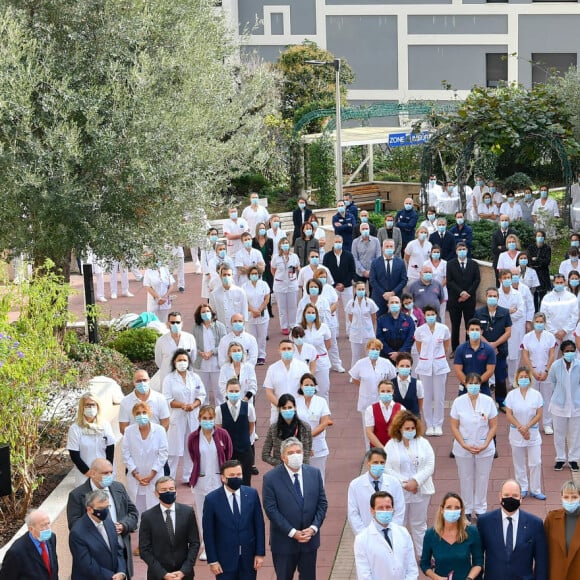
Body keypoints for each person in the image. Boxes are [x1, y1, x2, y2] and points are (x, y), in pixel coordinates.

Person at [262, 437, 327, 580]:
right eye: (291, 453)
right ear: (283, 457)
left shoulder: (314, 473)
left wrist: (313, 528)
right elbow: (271, 510)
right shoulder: (270, 478)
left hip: (309, 541)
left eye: (298, 451)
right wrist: (292, 532)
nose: (296, 455)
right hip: (284, 542)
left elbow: (322, 504)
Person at [66, 458, 138, 579]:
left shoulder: (118, 488)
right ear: (93, 473)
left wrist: (124, 525)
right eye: (105, 473)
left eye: (111, 472)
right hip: (95, 561)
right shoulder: (77, 495)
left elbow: (133, 513)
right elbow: (74, 525)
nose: (109, 475)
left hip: (119, 553)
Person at [202, 460, 266, 579]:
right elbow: (208, 532)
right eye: (231, 475)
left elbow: (259, 525)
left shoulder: (251, 494)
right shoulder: (211, 500)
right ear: (223, 477)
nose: (236, 478)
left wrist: (260, 553)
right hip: (224, 561)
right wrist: (213, 560)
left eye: (239, 475)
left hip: (249, 559)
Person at [385, 410, 435, 558]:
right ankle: (400, 555)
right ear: (399, 428)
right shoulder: (391, 445)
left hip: (421, 490)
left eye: (412, 428)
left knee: (419, 524)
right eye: (407, 428)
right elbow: (387, 467)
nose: (410, 431)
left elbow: (430, 465)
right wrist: (405, 483)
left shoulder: (423, 443)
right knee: (399, 524)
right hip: (400, 492)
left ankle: (423, 555)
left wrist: (416, 481)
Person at [187, 405, 233, 560]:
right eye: (204, 418)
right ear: (199, 419)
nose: (207, 421)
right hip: (200, 481)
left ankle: (221, 544)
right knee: (203, 514)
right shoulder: (193, 437)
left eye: (210, 418)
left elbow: (229, 454)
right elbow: (194, 456)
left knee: (221, 514)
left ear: (214, 419)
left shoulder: (223, 434)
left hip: (219, 481)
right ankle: (206, 546)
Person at [450, 372, 498, 519]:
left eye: (476, 384)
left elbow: (494, 425)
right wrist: (463, 444)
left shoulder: (488, 401)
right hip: (463, 447)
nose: (473, 386)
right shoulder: (458, 402)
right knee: (465, 477)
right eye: (470, 383)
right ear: (465, 385)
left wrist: (485, 444)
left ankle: (480, 509)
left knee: (483, 477)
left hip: (484, 447)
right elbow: (454, 426)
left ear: (480, 385)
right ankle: (467, 509)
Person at [477, 479, 548, 579]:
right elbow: (478, 557)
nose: (510, 498)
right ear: (500, 497)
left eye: (515, 496)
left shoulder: (535, 524)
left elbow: (541, 561)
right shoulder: (484, 522)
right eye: (506, 495)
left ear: (521, 498)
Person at [139, 476, 200, 579]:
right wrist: (163, 574)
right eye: (163, 490)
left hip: (184, 574)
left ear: (176, 491)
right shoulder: (147, 516)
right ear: (156, 494)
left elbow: (195, 543)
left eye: (171, 489)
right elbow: (144, 550)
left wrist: (184, 570)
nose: (168, 492)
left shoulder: (188, 512)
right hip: (158, 575)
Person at [163, 348, 207, 483]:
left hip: (193, 415)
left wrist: (193, 405)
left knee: (191, 447)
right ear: (174, 362)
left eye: (184, 360)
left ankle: (188, 477)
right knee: (174, 450)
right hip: (177, 416)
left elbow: (202, 395)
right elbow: (167, 398)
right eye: (179, 360)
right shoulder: (169, 379)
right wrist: (182, 405)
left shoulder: (195, 377)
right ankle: (169, 478)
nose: (182, 362)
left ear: (188, 362)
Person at [353, 491, 418, 580]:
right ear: (372, 510)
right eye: (380, 508)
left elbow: (412, 567)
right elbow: (364, 575)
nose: (385, 511)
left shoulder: (403, 532)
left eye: (388, 507)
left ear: (392, 509)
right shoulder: (361, 539)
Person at [420, 492, 483, 580]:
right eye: (449, 507)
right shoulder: (430, 534)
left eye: (457, 508)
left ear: (461, 511)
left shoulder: (472, 532)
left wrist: (469, 578)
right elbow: (424, 564)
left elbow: (478, 562)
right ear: (442, 509)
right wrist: (436, 578)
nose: (453, 511)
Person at [505, 366, 545, 500]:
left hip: (532, 433)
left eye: (526, 377)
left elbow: (539, 414)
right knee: (519, 462)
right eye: (521, 377)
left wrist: (527, 427)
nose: (523, 379)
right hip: (516, 433)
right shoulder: (511, 395)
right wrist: (521, 428)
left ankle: (535, 489)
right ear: (517, 379)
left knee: (536, 462)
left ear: (530, 378)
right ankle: (522, 487)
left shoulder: (536, 395)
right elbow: (509, 414)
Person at [69, 489, 127, 580]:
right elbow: (86, 565)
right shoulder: (77, 532)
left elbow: (117, 549)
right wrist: (112, 577)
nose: (105, 511)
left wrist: (121, 572)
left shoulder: (108, 521)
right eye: (101, 509)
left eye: (107, 507)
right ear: (89, 509)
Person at [122, 401, 169, 512]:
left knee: (155, 508)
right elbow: (125, 453)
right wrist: (136, 474)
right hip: (135, 477)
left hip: (155, 476)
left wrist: (152, 474)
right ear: (134, 416)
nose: (141, 415)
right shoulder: (129, 431)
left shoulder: (159, 430)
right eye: (138, 413)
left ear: (149, 414)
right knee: (137, 508)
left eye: (144, 412)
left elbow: (163, 454)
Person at [347, 448, 405, 534]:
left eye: (382, 462)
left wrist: (392, 532)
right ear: (368, 463)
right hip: (365, 534)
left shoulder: (394, 482)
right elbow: (353, 514)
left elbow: (399, 510)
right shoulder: (355, 485)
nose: (379, 465)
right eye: (375, 462)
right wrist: (363, 534)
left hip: (389, 533)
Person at [350, 338, 396, 444]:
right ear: (367, 349)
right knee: (368, 428)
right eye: (372, 349)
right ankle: (369, 452)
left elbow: (392, 378)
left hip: (383, 399)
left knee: (384, 426)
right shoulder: (360, 363)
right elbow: (355, 378)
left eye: (377, 349)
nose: (375, 351)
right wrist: (364, 387)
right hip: (366, 400)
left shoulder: (386, 363)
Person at [415, 304, 451, 436]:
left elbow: (447, 344)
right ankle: (429, 424)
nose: (430, 317)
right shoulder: (419, 330)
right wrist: (426, 358)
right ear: (424, 316)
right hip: (425, 367)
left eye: (433, 314)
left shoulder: (443, 329)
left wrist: (440, 356)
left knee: (439, 397)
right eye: (428, 315)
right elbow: (419, 346)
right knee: (427, 397)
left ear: (436, 315)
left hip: (440, 366)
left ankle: (438, 424)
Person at [475, 285, 512, 411]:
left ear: (498, 298)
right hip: (483, 350)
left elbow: (508, 332)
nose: (492, 298)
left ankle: (501, 402)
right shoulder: (479, 313)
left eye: (494, 296)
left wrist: (495, 345)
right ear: (485, 297)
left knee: (501, 377)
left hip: (500, 350)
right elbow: (476, 331)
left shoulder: (505, 312)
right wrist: (489, 346)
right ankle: (484, 401)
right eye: (490, 296)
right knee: (483, 375)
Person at [67, 392, 115, 485]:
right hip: (84, 475)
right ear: (82, 407)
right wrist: (88, 472)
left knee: (105, 497)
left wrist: (107, 470)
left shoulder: (105, 425)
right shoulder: (75, 428)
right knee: (87, 498)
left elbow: (110, 448)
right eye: (87, 405)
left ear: (98, 406)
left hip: (104, 474)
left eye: (93, 405)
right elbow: (74, 454)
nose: (91, 408)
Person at [215, 378, 256, 486]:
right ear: (226, 392)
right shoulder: (219, 409)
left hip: (245, 450)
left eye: (236, 391)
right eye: (231, 391)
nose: (234, 393)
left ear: (240, 391)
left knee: (246, 480)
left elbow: (251, 425)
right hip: (228, 451)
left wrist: (246, 440)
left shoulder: (249, 407)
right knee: (228, 481)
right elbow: (218, 429)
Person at [521, 312, 557, 435]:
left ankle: (547, 424)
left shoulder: (550, 337)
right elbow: (525, 355)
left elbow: (552, 354)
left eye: (541, 322)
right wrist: (532, 371)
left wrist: (547, 370)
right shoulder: (527, 337)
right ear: (533, 322)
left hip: (547, 370)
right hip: (532, 371)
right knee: (532, 397)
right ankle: (532, 423)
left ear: (545, 323)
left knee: (547, 397)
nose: (539, 324)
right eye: (537, 322)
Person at [0, 509, 59, 580]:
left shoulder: (51, 538)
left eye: (48, 523)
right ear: (31, 529)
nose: (48, 528)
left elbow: (53, 567)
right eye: (43, 525)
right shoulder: (16, 552)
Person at [549, 340, 580, 472]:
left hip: (576, 405)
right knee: (559, 434)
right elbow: (553, 382)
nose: (570, 353)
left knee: (575, 434)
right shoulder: (556, 366)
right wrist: (559, 396)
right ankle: (560, 459)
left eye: (572, 350)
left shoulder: (579, 365)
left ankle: (573, 459)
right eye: (567, 351)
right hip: (558, 406)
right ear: (562, 352)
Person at [296, 373, 332, 483]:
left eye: (312, 385)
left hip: (318, 446)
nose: (309, 387)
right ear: (301, 386)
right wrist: (303, 440)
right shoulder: (295, 402)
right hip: (299, 444)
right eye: (306, 385)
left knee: (318, 477)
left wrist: (308, 437)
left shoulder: (321, 401)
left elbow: (324, 422)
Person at [263, 339, 310, 423]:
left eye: (289, 348)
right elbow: (269, 392)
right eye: (283, 349)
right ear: (279, 351)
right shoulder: (272, 368)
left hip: (298, 407)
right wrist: (281, 407)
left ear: (293, 350)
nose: (286, 351)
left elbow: (308, 388)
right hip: (278, 408)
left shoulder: (303, 367)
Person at [447, 242, 481, 353]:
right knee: (455, 326)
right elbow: (450, 281)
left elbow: (477, 280)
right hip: (455, 300)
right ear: (456, 251)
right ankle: (455, 350)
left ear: (467, 250)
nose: (462, 251)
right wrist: (461, 293)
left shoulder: (474, 264)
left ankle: (468, 348)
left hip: (469, 300)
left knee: (470, 324)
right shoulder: (450, 264)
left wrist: (468, 294)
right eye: (459, 249)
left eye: (464, 249)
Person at [262, 394, 312, 466]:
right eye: (284, 408)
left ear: (295, 408)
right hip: (281, 470)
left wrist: (300, 467)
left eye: (289, 407)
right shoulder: (274, 429)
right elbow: (265, 455)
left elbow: (307, 453)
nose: (287, 410)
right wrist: (282, 464)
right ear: (279, 409)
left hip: (299, 469)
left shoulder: (305, 428)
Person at [192, 302, 227, 405]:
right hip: (201, 364)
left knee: (219, 392)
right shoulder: (196, 327)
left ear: (212, 313)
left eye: (207, 311)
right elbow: (193, 343)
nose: (206, 313)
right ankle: (205, 415)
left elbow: (223, 343)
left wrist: (212, 352)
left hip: (217, 364)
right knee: (203, 392)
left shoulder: (220, 326)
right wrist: (200, 353)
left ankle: (220, 414)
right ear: (199, 314)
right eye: (203, 312)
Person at [544, 480, 580, 579]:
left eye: (574, 497)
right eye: (566, 497)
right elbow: (543, 549)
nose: (570, 501)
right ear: (561, 497)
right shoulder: (551, 518)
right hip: (557, 575)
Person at [453, 319, 497, 398]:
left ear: (481, 332)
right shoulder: (460, 349)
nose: (474, 331)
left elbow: (490, 371)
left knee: (485, 409)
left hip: (483, 386)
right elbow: (458, 370)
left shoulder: (489, 350)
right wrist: (468, 385)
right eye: (472, 329)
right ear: (467, 332)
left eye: (477, 329)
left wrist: (477, 384)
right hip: (465, 386)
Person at [119, 369, 170, 434]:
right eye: (139, 381)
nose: (142, 383)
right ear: (134, 382)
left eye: (144, 380)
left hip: (155, 441)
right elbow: (123, 427)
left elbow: (165, 423)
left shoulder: (160, 398)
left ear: (149, 380)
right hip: (134, 441)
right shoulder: (125, 401)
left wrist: (156, 438)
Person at [322, 234, 356, 334]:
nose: (338, 244)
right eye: (336, 242)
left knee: (348, 309)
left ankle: (349, 331)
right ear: (333, 243)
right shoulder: (327, 256)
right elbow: (325, 272)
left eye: (339, 242)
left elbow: (352, 271)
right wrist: (335, 284)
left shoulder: (349, 255)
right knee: (333, 310)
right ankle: (334, 331)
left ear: (342, 243)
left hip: (347, 286)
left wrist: (344, 284)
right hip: (333, 287)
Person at [497, 269, 525, 387]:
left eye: (509, 277)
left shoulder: (517, 294)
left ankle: (513, 381)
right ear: (500, 280)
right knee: (500, 355)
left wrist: (505, 315)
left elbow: (521, 312)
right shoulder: (496, 293)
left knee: (513, 357)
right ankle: (495, 382)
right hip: (500, 329)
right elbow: (495, 311)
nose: (507, 280)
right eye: (505, 278)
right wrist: (508, 312)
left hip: (515, 328)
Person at [154, 311, 197, 387]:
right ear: (168, 324)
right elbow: (158, 361)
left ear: (182, 323)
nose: (175, 325)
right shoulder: (161, 341)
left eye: (178, 322)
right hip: (167, 377)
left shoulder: (190, 338)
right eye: (172, 322)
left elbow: (193, 358)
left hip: (186, 376)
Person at [300, 303, 332, 402]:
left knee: (323, 390)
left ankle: (324, 414)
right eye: (308, 312)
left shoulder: (323, 327)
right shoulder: (298, 328)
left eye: (313, 312)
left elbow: (328, 343)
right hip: (305, 363)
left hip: (321, 362)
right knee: (305, 391)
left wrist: (317, 355)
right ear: (304, 314)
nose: (311, 314)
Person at [370, 239, 408, 316]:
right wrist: (383, 293)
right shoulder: (375, 262)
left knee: (396, 319)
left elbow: (404, 280)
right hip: (379, 297)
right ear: (382, 248)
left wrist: (393, 292)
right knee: (379, 320)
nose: (389, 248)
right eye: (387, 246)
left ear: (394, 248)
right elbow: (372, 280)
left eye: (391, 246)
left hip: (396, 296)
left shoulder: (400, 262)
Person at [271, 236, 301, 336]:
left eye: (286, 243)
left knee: (293, 306)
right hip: (280, 285)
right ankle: (284, 326)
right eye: (283, 243)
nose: (285, 245)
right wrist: (280, 278)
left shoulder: (294, 256)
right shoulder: (276, 257)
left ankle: (293, 325)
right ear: (280, 245)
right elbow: (273, 270)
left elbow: (297, 268)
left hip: (292, 284)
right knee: (282, 308)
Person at [365, 380, 405, 448]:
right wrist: (382, 449)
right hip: (377, 449)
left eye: (388, 391)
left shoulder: (401, 408)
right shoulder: (370, 409)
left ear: (393, 392)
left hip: (396, 448)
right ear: (378, 392)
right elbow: (369, 432)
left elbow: (403, 430)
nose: (385, 393)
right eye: (383, 391)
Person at [541, 273, 578, 344]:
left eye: (561, 282)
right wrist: (554, 332)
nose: (559, 284)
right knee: (552, 355)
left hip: (568, 334)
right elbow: (544, 317)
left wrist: (565, 331)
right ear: (553, 283)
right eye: (557, 283)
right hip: (552, 335)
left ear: (564, 282)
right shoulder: (547, 298)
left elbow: (574, 316)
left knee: (569, 354)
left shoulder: (572, 297)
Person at [209, 265, 249, 332]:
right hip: (222, 330)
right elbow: (212, 315)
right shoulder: (214, 294)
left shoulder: (240, 292)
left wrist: (243, 328)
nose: (226, 277)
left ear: (232, 276)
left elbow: (244, 311)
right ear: (220, 276)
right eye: (224, 275)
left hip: (238, 329)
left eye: (229, 275)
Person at [376, 296, 415, 362]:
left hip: (404, 356)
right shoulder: (381, 320)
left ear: (400, 305)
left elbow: (410, 338)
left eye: (396, 302)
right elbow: (380, 338)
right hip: (386, 356)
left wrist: (400, 353)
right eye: (392, 302)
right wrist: (391, 353)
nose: (394, 304)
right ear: (388, 305)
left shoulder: (409, 320)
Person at [218, 342, 258, 407]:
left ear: (242, 353)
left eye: (239, 350)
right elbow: (222, 387)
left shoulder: (249, 367)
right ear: (229, 354)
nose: (237, 353)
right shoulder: (224, 368)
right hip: (230, 403)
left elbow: (253, 387)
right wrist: (231, 401)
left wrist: (245, 400)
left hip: (247, 402)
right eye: (234, 351)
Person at [252, 221, 275, 317]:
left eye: (263, 228)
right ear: (257, 230)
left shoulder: (270, 241)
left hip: (268, 268)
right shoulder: (253, 241)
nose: (262, 230)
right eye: (260, 228)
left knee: (268, 289)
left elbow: (271, 253)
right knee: (258, 289)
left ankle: (269, 309)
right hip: (258, 269)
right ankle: (259, 309)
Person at [392, 353, 424, 418]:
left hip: (413, 419)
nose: (404, 368)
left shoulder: (418, 383)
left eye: (407, 366)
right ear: (397, 366)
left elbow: (420, 399)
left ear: (411, 367)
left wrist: (418, 413)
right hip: (396, 419)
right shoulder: (391, 383)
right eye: (402, 366)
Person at [352, 221, 381, 290]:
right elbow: (355, 258)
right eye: (363, 229)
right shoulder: (355, 242)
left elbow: (378, 256)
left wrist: (371, 270)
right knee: (359, 293)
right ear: (360, 230)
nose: (365, 230)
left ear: (369, 230)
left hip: (373, 272)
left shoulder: (376, 241)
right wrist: (363, 271)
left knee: (374, 292)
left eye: (366, 229)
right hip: (360, 272)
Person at [528, 229, 552, 310]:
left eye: (541, 236)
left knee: (543, 294)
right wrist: (538, 260)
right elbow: (529, 260)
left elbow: (547, 261)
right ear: (535, 237)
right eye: (538, 236)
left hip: (543, 274)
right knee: (534, 294)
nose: (540, 238)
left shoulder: (547, 248)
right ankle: (534, 312)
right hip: (534, 273)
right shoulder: (531, 247)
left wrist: (537, 259)